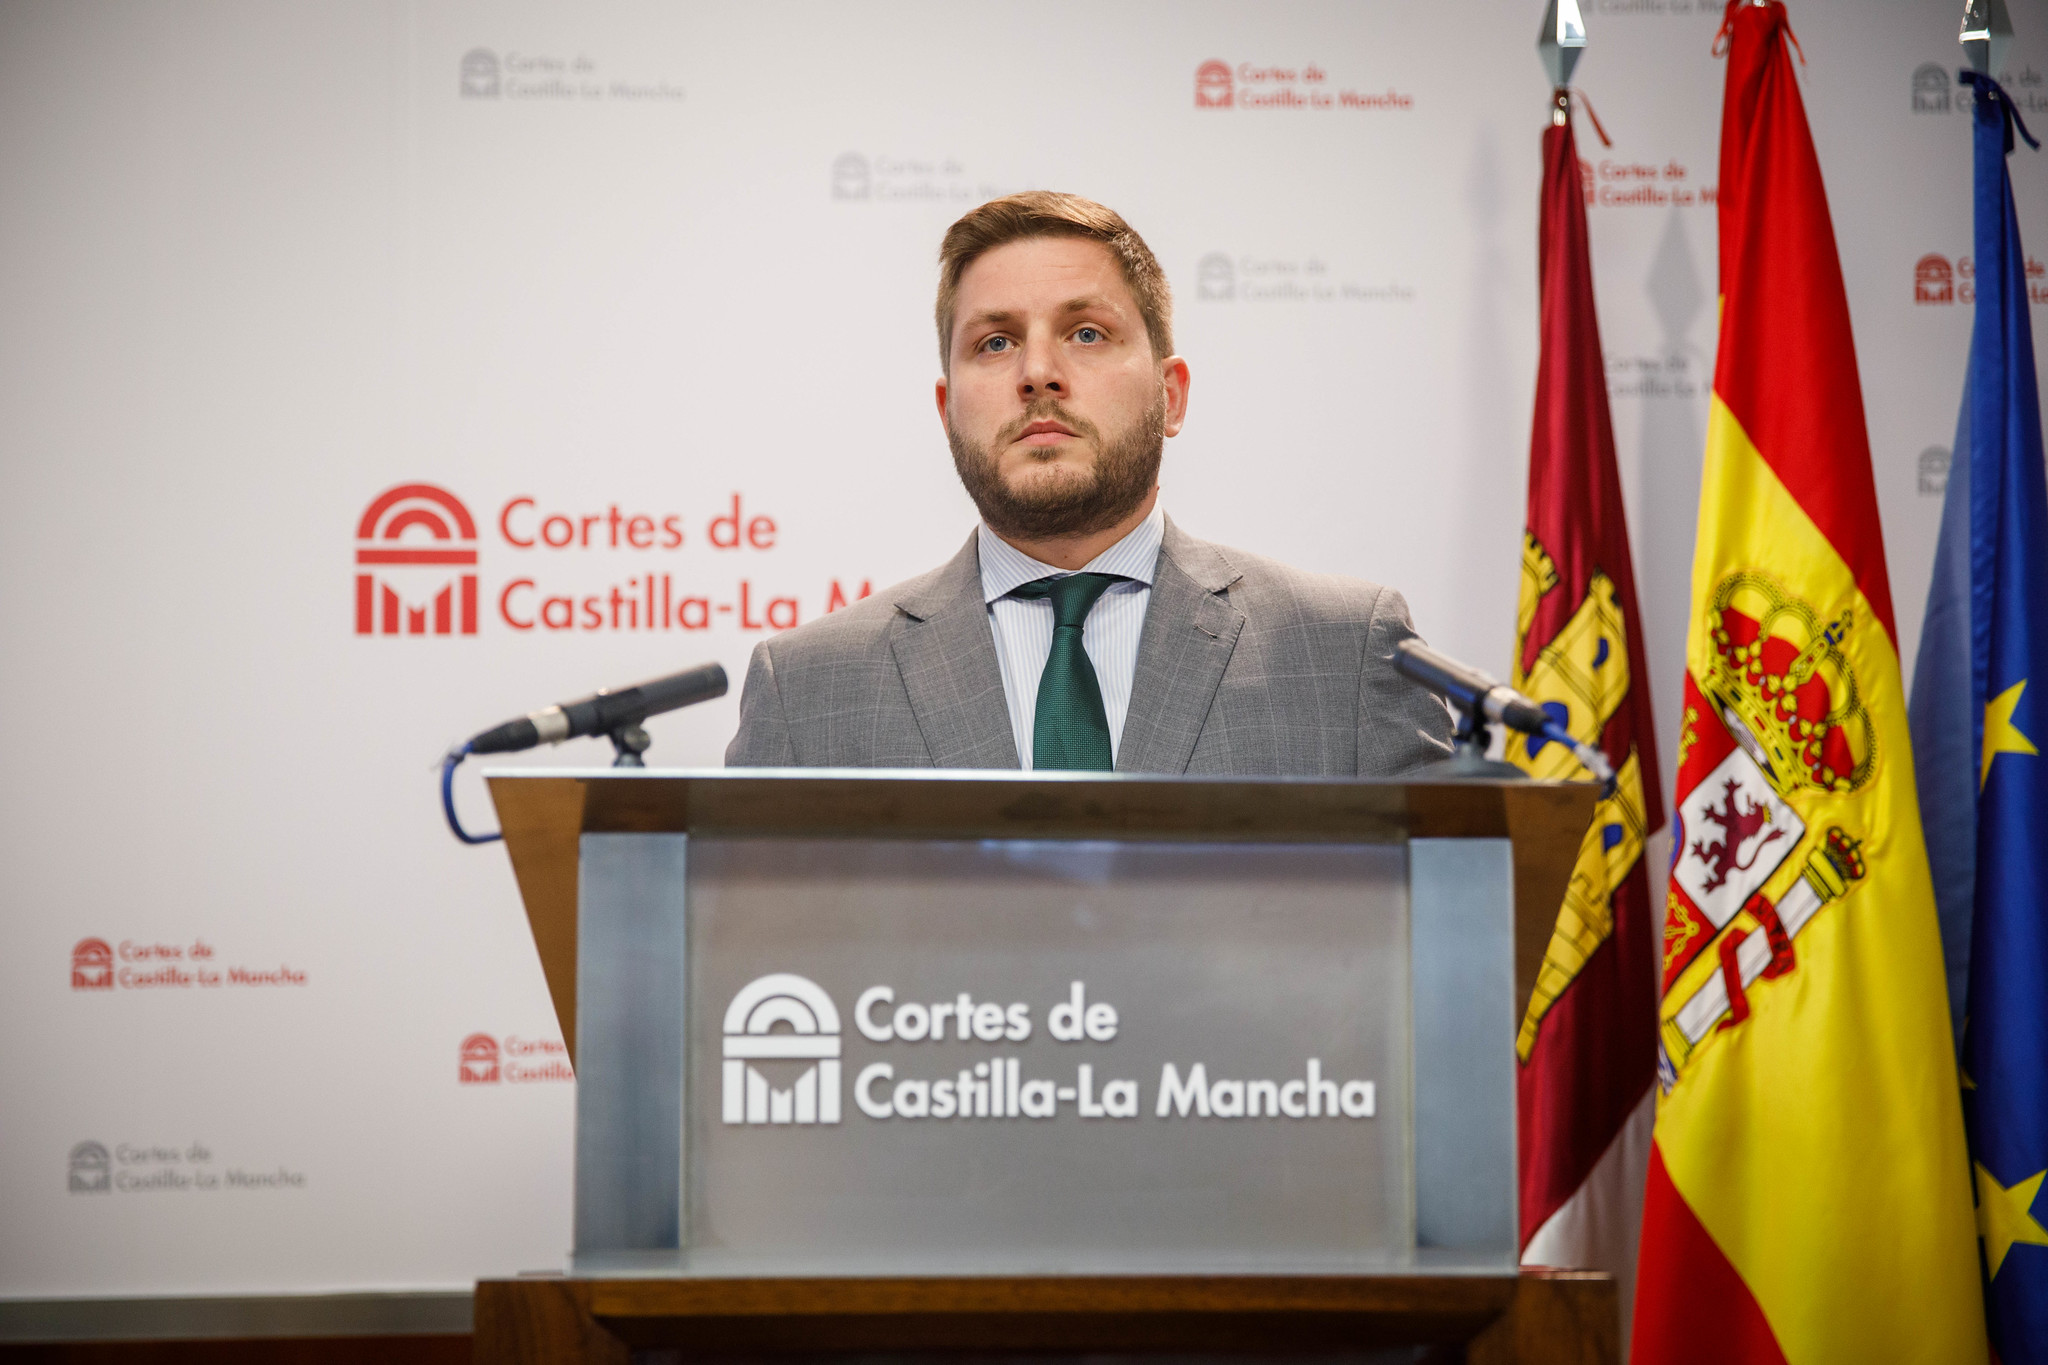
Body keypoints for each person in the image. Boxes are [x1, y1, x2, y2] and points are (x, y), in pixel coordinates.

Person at [725, 191, 1451, 775]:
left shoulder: (1347, 655)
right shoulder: (807, 690)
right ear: (947, 412)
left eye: (1086, 333)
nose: (1038, 372)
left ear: (1171, 395)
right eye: (995, 342)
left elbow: (1445, 910)